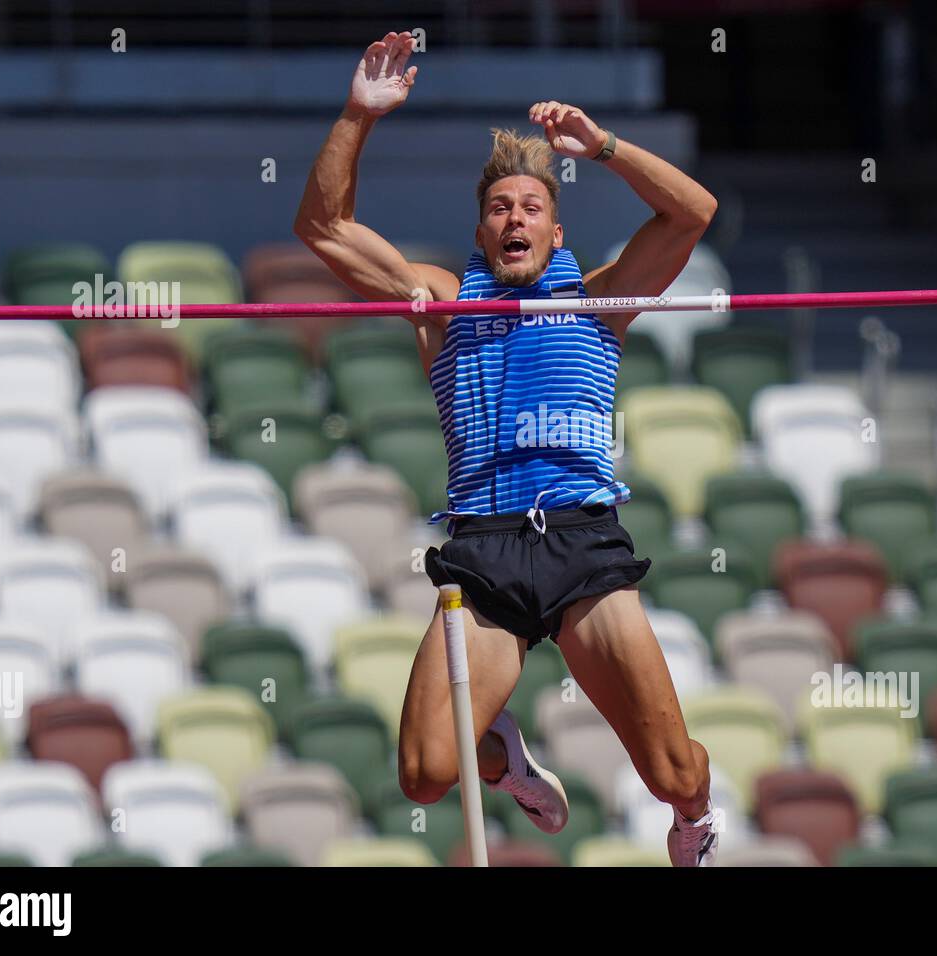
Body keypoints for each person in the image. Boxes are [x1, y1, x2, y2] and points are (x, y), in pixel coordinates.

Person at [295, 31, 721, 866]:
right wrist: (357, 114)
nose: (514, 217)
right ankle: (504, 756)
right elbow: (323, 225)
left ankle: (695, 819)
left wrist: (601, 146)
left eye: (530, 207)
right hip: (485, 550)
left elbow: (692, 212)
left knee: (675, 771)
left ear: (556, 234)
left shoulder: (601, 299)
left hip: (581, 543)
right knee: (424, 773)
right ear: (482, 234)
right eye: (499, 209)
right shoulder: (441, 302)